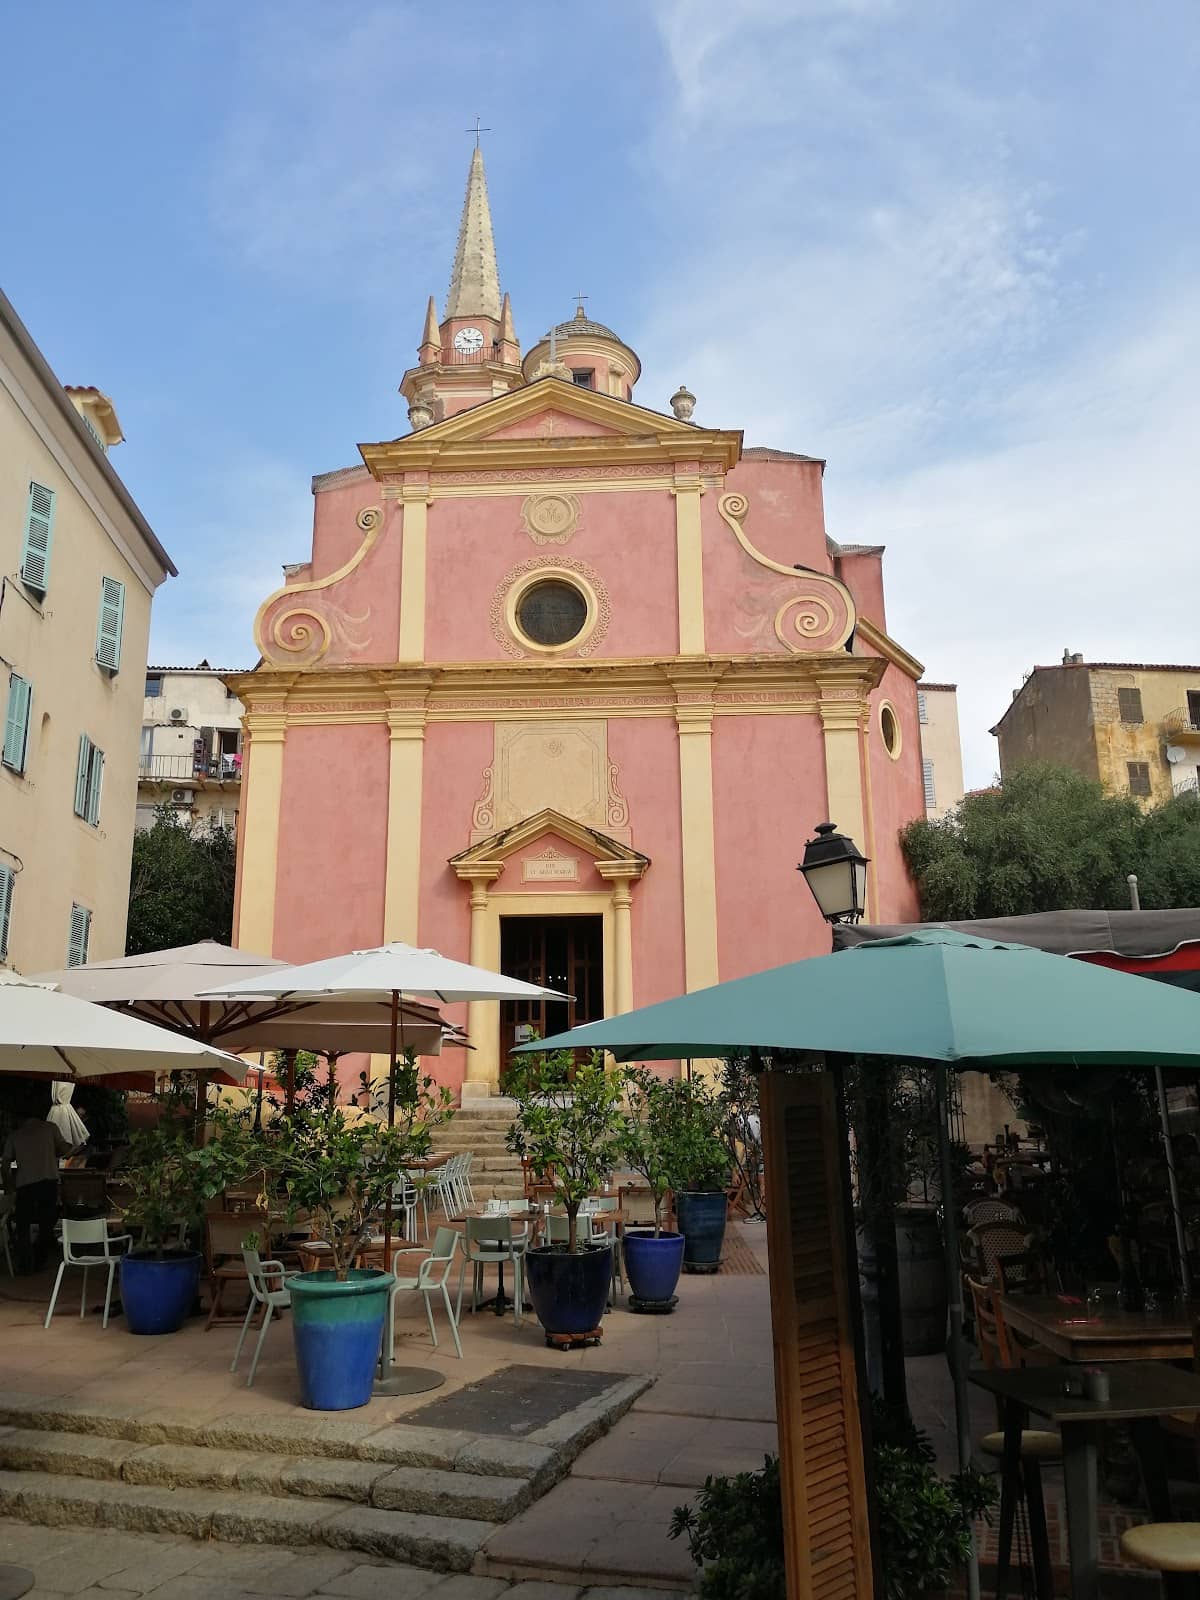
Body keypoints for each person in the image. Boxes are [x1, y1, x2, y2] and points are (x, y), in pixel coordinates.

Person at [1, 1088, 72, 1273]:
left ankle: (25, 1262)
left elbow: (5, 1163)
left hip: (25, 1184)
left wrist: (9, 1186)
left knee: (23, 1225)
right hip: (48, 1182)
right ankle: (40, 1259)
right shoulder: (50, 1129)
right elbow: (64, 1149)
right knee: (46, 1223)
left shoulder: (15, 1135)